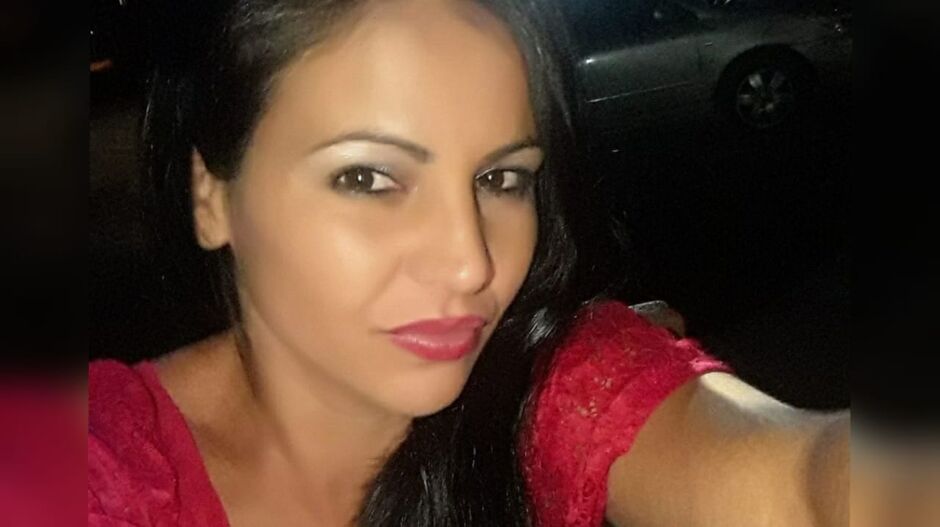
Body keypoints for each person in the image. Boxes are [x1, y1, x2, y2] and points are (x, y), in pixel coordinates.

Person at [88, 0, 849, 525]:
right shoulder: (94, 467)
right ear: (211, 196)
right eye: (368, 178)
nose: (470, 264)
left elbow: (803, 489)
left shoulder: (542, 384)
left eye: (501, 179)